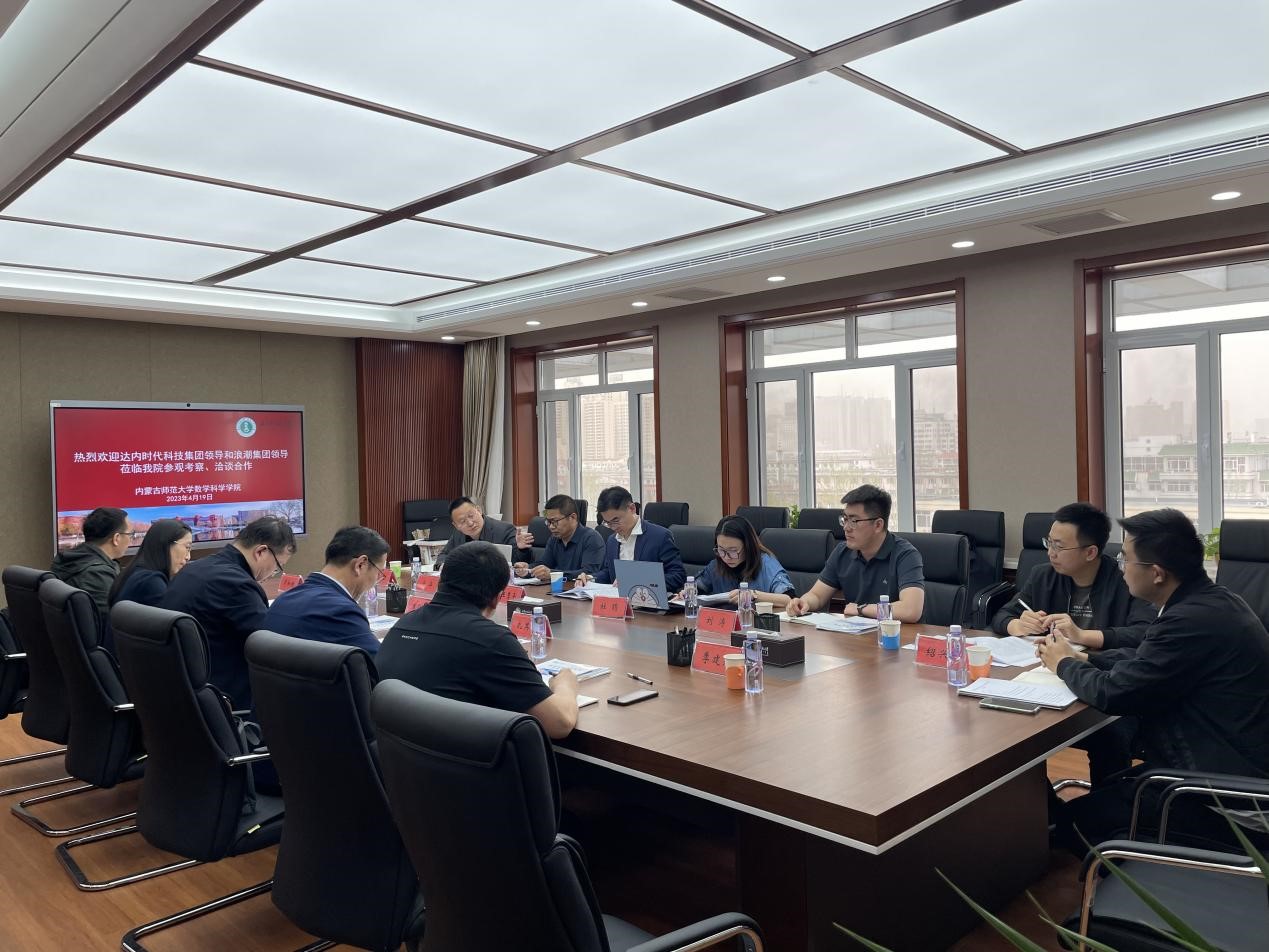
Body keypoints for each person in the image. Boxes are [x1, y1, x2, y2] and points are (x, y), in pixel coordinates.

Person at [1038, 509, 1269, 850]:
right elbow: (1148, 660)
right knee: (1100, 798)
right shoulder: (1212, 602)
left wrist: (1064, 665)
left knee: (1067, 826)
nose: (1121, 567)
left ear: (1157, 573)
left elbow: (1114, 693)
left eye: (1125, 558)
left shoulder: (1188, 620)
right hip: (1221, 765)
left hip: (1229, 802)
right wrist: (1087, 658)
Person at [377, 542, 579, 739]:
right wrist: (565, 684)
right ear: (497, 597)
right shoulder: (491, 640)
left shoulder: (403, 625)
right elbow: (559, 724)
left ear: (440, 581)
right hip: (462, 758)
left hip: (398, 757)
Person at [161, 516, 295, 711]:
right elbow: (271, 648)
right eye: (277, 567)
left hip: (180, 694)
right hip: (223, 702)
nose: (272, 574)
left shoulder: (194, 568)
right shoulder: (236, 584)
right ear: (261, 552)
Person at [992, 502, 1154, 646]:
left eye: (1058, 546)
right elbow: (1002, 615)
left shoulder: (1126, 580)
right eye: (1049, 543)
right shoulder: (1042, 576)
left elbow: (1144, 632)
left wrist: (1082, 636)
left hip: (1102, 664)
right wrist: (1018, 625)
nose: (1050, 553)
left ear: (1090, 553)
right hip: (1047, 662)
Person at [786, 485, 924, 622]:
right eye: (845, 519)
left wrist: (861, 609)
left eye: (854, 521)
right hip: (856, 632)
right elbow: (817, 595)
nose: (846, 528)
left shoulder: (905, 555)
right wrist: (804, 602)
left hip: (896, 634)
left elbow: (910, 610)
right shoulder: (842, 552)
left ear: (878, 525)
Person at [263, 526, 388, 655]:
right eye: (379, 572)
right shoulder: (342, 611)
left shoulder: (283, 600)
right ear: (360, 565)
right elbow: (381, 663)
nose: (377, 580)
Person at [578, 486, 685, 592]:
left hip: (648, 600)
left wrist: (639, 582)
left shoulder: (660, 536)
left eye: (616, 520)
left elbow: (678, 576)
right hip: (619, 600)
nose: (613, 527)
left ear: (632, 508)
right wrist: (591, 579)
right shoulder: (612, 541)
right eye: (607, 523)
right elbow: (608, 573)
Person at [689, 515, 795, 609]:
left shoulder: (766, 564)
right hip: (723, 622)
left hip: (755, 622)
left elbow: (790, 599)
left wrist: (752, 595)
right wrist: (688, 592)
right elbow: (699, 589)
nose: (726, 557)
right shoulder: (716, 565)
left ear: (748, 546)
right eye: (721, 550)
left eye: (733, 551)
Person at [51, 507, 132, 621]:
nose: (130, 540)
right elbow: (114, 622)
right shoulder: (97, 574)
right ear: (116, 538)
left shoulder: (69, 559)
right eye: (130, 534)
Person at [512, 494, 604, 582]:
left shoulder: (592, 538)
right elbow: (545, 564)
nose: (551, 527)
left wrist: (552, 574)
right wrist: (528, 568)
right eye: (548, 522)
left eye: (555, 521)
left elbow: (588, 573)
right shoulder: (554, 538)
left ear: (572, 517)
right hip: (556, 590)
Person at [109, 518, 193, 608]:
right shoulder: (151, 582)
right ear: (166, 545)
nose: (188, 557)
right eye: (187, 547)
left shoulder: (134, 571)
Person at [435, 497, 529, 566]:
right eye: (462, 521)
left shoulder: (505, 530)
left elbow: (519, 563)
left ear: (479, 510)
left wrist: (522, 550)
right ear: (456, 526)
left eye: (471, 516)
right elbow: (443, 556)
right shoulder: (458, 534)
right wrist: (443, 566)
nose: (470, 523)